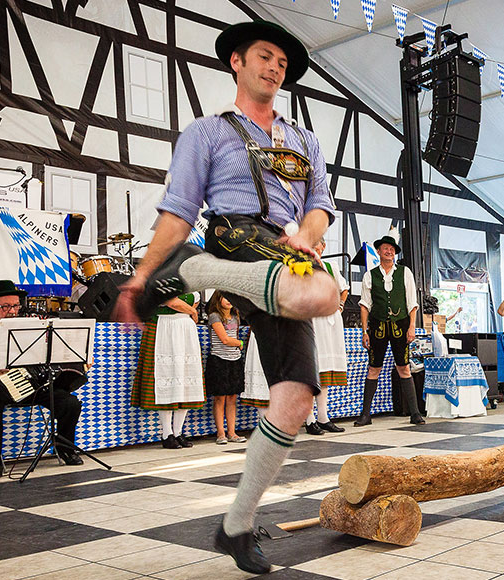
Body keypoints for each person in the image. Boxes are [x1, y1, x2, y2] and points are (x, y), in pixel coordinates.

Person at [113, 19, 342, 574]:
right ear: (236, 62)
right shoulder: (207, 132)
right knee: (326, 293)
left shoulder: (304, 140)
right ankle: (192, 267)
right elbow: (178, 211)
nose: (274, 68)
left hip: (285, 251)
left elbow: (320, 205)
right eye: (264, 56)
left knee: (295, 399)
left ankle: (235, 526)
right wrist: (142, 275)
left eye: (282, 64)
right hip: (234, 236)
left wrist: (306, 236)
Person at [0, 280, 85, 483]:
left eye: (16, 306)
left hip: (34, 384)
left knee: (70, 402)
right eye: (5, 306)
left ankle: (64, 447)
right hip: (0, 386)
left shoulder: (32, 328)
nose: (12, 311)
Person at [355, 228, 424, 426]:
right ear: (378, 251)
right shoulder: (370, 275)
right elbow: (365, 305)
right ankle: (366, 415)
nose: (389, 251)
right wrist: (364, 331)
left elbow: (412, 303)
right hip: (377, 327)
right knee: (373, 368)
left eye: (392, 249)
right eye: (385, 248)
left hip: (401, 325)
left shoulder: (405, 272)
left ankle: (415, 413)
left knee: (404, 367)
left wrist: (412, 327)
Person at [131, 293, 204, 449]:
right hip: (163, 327)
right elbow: (171, 302)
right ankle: (166, 433)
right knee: (165, 377)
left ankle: (178, 432)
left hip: (185, 329)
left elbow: (194, 301)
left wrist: (189, 310)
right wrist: (192, 311)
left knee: (185, 379)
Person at [305, 237, 347, 434]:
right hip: (311, 320)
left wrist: (340, 306)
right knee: (311, 369)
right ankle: (309, 419)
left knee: (325, 370)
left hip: (330, 322)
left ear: (323, 247)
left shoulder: (331, 266)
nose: (315, 248)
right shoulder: (300, 266)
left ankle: (323, 417)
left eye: (318, 245)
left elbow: (343, 289)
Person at [205, 291, 247, 444]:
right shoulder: (214, 316)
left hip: (235, 359)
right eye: (225, 297)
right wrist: (239, 343)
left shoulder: (236, 317)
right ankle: (220, 433)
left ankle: (232, 432)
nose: (229, 301)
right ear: (218, 299)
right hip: (219, 360)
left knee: (232, 398)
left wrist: (236, 345)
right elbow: (224, 339)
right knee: (219, 398)